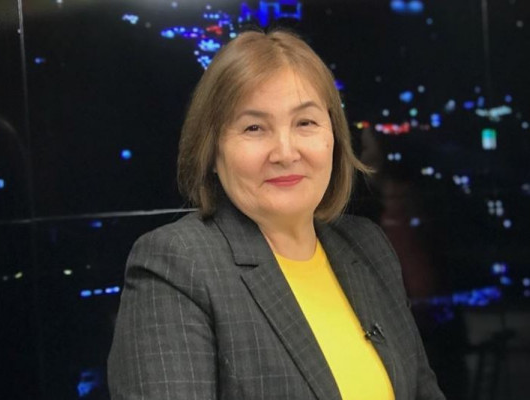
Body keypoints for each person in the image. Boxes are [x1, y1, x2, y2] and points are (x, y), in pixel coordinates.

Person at [107, 30, 446, 400]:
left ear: (333, 137)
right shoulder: (177, 265)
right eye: (254, 128)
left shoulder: (368, 246)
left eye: (305, 123)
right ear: (212, 151)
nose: (285, 152)